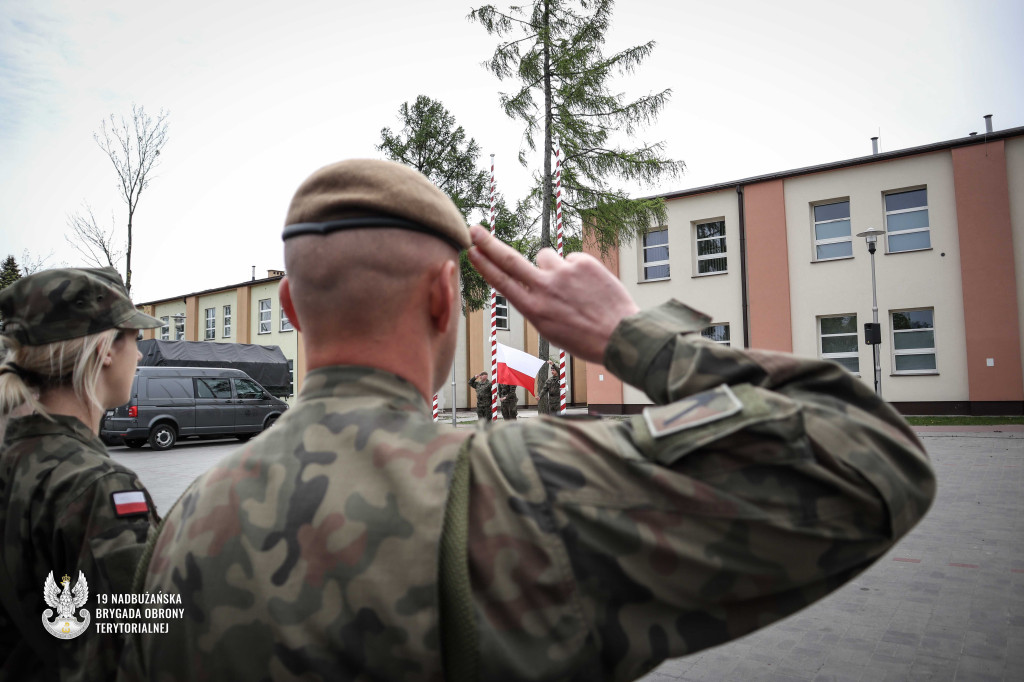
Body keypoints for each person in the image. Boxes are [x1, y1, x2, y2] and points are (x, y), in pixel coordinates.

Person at [124, 159, 935, 681]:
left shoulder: (181, 525)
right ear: (447, 297)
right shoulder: (527, 489)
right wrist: (628, 336)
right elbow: (872, 456)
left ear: (292, 308)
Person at [0, 267, 162, 681]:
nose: (140, 355)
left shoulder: (13, 455)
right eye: (135, 340)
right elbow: (131, 655)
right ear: (106, 349)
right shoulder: (99, 488)